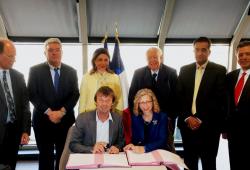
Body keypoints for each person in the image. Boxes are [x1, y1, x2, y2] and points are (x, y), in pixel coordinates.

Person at [27, 38, 79, 170]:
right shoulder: (35, 70)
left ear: (62, 52)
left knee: (63, 155)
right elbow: (32, 94)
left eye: (57, 50)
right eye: (50, 50)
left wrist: (61, 112)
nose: (54, 53)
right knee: (46, 155)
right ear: (45, 53)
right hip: (43, 121)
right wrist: (49, 112)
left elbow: (75, 94)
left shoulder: (71, 71)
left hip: (65, 120)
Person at [176, 37, 227, 170]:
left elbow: (219, 100)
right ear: (193, 51)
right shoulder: (184, 70)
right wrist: (188, 117)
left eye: (203, 50)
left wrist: (198, 118)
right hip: (187, 126)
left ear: (209, 52)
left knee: (208, 162)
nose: (200, 53)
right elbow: (179, 97)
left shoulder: (219, 70)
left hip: (209, 127)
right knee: (189, 162)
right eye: (197, 50)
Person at [128, 47, 177, 152]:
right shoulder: (138, 73)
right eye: (149, 58)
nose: (152, 60)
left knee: (166, 148)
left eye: (155, 57)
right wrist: (136, 117)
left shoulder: (171, 72)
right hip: (143, 118)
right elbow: (132, 97)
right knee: (144, 148)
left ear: (161, 58)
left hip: (166, 120)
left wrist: (170, 117)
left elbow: (176, 98)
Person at [0, 38, 31, 170]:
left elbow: (25, 106)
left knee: (11, 165)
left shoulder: (19, 76)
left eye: (15, 56)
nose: (14, 59)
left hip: (14, 131)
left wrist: (25, 130)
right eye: (10, 56)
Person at [69, 86, 125, 154]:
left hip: (110, 157)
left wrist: (117, 148)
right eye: (101, 100)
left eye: (108, 100)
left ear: (112, 103)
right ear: (96, 102)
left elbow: (121, 142)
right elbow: (73, 144)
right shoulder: (83, 118)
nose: (104, 104)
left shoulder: (118, 119)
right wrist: (92, 149)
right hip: (88, 157)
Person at [225, 41, 250, 170]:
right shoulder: (230, 77)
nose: (244, 57)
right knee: (235, 164)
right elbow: (226, 104)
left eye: (248, 54)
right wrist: (224, 128)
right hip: (233, 132)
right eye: (240, 55)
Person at [78, 48, 123, 114]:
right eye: (100, 60)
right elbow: (82, 100)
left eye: (106, 60)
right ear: (94, 61)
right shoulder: (86, 77)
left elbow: (119, 99)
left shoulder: (115, 77)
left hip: (109, 115)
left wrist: (118, 115)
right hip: (90, 115)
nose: (103, 63)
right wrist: (80, 117)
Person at [124, 88, 167, 153]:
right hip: (141, 154)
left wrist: (145, 148)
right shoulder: (135, 118)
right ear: (138, 104)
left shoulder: (162, 117)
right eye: (142, 102)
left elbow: (162, 141)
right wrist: (132, 144)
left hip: (157, 152)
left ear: (153, 102)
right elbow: (135, 140)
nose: (145, 105)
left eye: (148, 102)